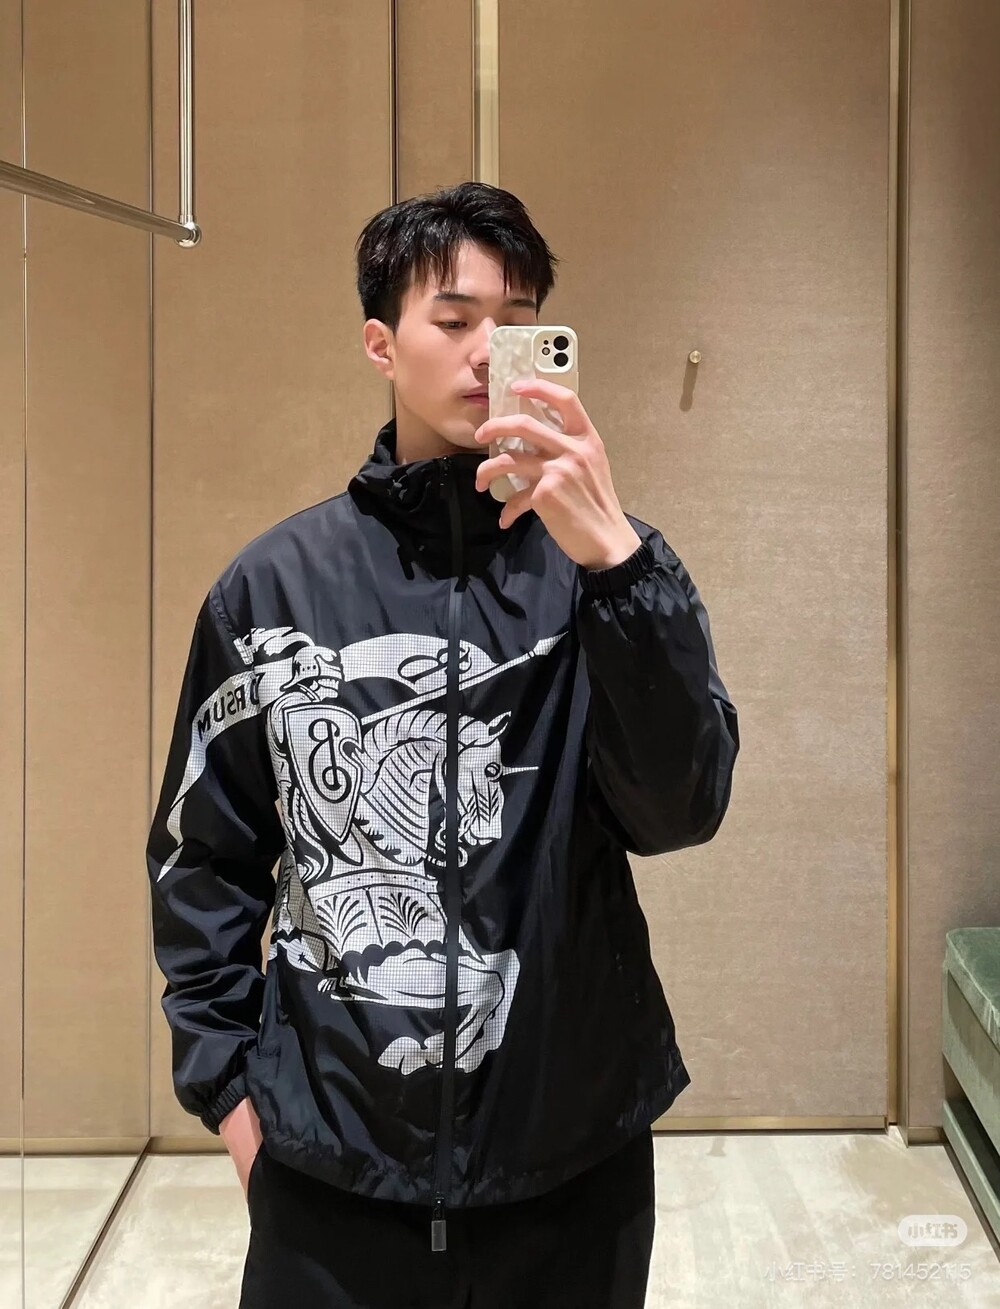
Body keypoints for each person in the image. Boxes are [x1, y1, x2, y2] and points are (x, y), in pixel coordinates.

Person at [146, 181, 740, 1308]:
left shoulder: (611, 570)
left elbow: (682, 809)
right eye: (454, 319)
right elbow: (204, 859)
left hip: (570, 1168)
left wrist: (615, 564)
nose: (485, 353)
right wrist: (232, 1096)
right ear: (381, 343)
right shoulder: (272, 589)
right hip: (329, 1173)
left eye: (516, 324)